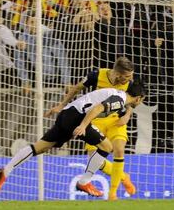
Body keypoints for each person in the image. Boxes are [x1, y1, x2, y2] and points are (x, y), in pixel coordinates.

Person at [0, 82, 146, 196]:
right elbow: (97, 108)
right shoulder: (118, 100)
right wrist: (83, 125)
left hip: (67, 114)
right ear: (138, 98)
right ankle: (84, 183)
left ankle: (5, 171)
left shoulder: (117, 95)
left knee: (40, 147)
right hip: (77, 118)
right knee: (107, 147)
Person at [45, 57, 136, 200]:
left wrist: (127, 116)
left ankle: (113, 194)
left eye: (131, 76)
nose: (130, 79)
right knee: (95, 158)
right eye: (126, 76)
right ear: (117, 73)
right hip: (95, 119)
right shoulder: (97, 75)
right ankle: (123, 176)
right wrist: (62, 105)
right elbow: (76, 88)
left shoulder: (130, 82)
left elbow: (133, 99)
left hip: (116, 119)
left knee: (119, 150)